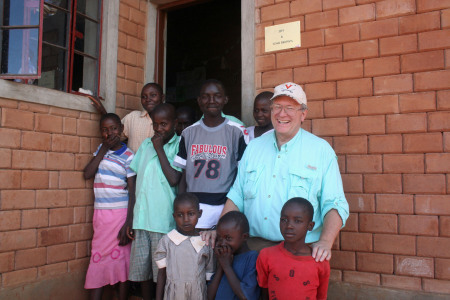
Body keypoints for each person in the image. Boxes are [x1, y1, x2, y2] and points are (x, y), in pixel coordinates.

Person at [205, 82, 349, 262]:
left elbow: (335, 204)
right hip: (251, 249)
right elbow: (237, 197)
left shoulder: (321, 151)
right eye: (277, 107)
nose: (282, 114)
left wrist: (326, 242)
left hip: (298, 252)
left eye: (290, 108)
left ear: (303, 114)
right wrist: (219, 231)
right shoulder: (254, 148)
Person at [174, 79, 248, 229]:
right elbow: (183, 173)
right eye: (206, 96)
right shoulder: (188, 133)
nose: (212, 100)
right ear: (199, 100)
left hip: (225, 204)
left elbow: (243, 174)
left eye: (217, 96)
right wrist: (182, 204)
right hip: (195, 208)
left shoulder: (237, 131)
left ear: (225, 99)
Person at [126, 103, 182, 300]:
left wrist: (159, 149)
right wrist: (130, 219)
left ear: (175, 124)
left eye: (164, 124)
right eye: (155, 124)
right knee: (143, 275)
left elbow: (175, 179)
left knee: (162, 273)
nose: (159, 129)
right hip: (142, 220)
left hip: (162, 222)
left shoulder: (179, 145)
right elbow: (134, 179)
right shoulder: (145, 145)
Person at [83, 113, 136, 300]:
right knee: (97, 258)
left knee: (121, 260)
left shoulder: (129, 156)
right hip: (101, 217)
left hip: (120, 217)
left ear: (121, 130)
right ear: (100, 133)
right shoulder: (100, 149)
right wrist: (103, 150)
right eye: (105, 130)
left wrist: (128, 223)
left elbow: (132, 192)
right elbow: (88, 173)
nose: (109, 133)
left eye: (113, 128)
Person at [257, 198, 330, 300]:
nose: (289, 226)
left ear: (310, 226)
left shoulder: (319, 260)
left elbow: (321, 296)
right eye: (284, 220)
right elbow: (264, 292)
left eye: (297, 221)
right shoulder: (266, 255)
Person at [155, 193, 214, 300]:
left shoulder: (205, 242)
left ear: (199, 213)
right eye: (180, 215)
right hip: (174, 295)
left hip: (198, 294)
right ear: (174, 216)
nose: (186, 219)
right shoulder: (167, 241)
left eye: (191, 214)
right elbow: (161, 275)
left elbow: (208, 277)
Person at [90, 83, 165, 152]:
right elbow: (113, 136)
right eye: (144, 97)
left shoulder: (167, 122)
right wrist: (103, 112)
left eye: (153, 95)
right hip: (131, 166)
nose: (148, 99)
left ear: (162, 98)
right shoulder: (133, 117)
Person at [207, 211, 260, 300]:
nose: (223, 243)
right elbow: (209, 296)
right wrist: (221, 266)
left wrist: (226, 266)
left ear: (245, 237)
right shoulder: (223, 257)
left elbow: (246, 296)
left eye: (228, 238)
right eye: (219, 238)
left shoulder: (252, 258)